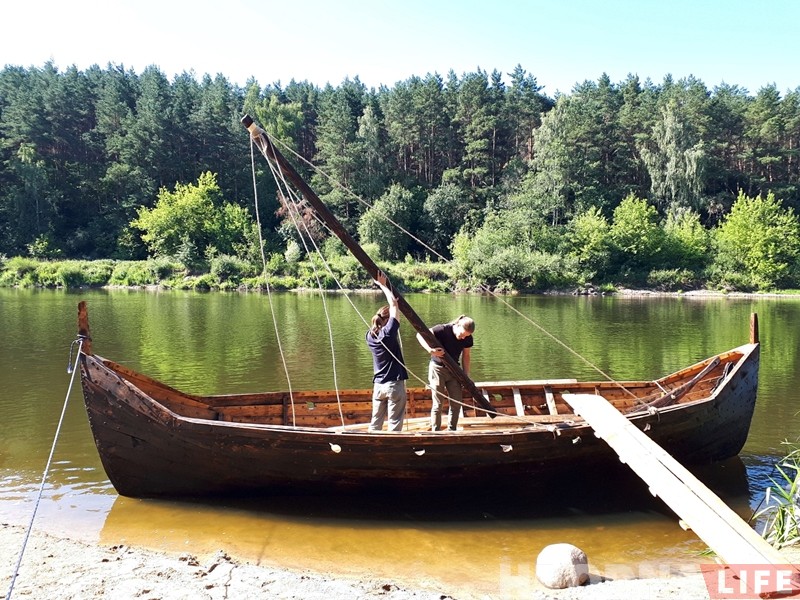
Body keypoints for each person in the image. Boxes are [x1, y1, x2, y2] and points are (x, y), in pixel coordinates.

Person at [365, 271, 408, 431]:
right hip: (393, 385)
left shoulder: (369, 336)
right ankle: (392, 452)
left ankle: (371, 449)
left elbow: (392, 308)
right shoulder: (389, 333)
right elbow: (394, 305)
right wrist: (383, 285)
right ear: (388, 319)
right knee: (395, 424)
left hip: (378, 386)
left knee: (375, 423)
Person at [416, 315, 475, 431]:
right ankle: (436, 431)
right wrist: (430, 350)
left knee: (456, 402)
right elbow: (419, 335)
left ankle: (451, 429)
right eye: (462, 334)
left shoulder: (468, 338)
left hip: (454, 371)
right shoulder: (442, 329)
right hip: (437, 369)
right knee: (438, 403)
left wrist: (466, 375)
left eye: (466, 336)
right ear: (457, 326)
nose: (463, 338)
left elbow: (466, 356)